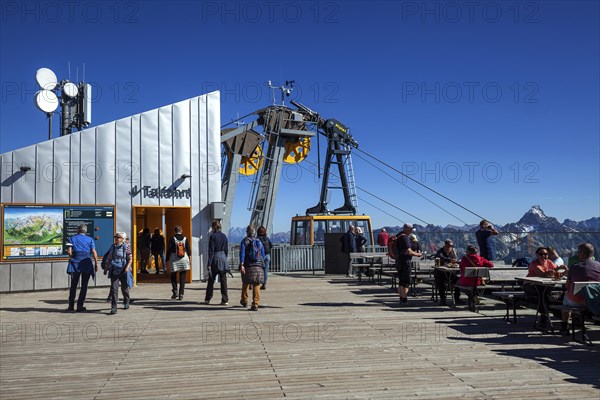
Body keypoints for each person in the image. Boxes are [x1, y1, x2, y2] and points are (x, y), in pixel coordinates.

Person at [559, 243, 600, 333]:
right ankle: (577, 320)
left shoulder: (575, 266)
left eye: (578, 252)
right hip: (595, 300)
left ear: (582, 254)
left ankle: (564, 326)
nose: (577, 254)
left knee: (566, 297)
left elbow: (567, 286)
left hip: (578, 301)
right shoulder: (598, 265)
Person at [524, 246, 564, 326]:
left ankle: (546, 315)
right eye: (541, 254)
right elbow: (542, 274)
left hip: (544, 285)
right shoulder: (534, 264)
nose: (543, 256)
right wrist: (555, 270)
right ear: (537, 255)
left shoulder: (549, 262)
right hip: (530, 286)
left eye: (545, 254)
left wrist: (563, 269)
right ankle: (548, 314)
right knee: (542, 294)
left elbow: (557, 271)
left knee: (544, 294)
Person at [66, 224, 99, 312]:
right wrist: (96, 263)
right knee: (84, 285)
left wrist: (73, 257)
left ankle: (71, 305)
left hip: (75, 262)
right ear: (85, 231)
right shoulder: (90, 239)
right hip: (87, 262)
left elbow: (69, 252)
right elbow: (93, 251)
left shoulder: (72, 238)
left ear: (78, 230)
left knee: (73, 285)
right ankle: (80, 305)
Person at [102, 232, 132, 315]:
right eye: (115, 237)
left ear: (122, 239)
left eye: (118, 237)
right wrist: (106, 268)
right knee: (114, 289)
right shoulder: (112, 247)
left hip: (123, 269)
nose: (116, 238)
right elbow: (109, 258)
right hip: (114, 269)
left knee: (124, 288)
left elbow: (130, 259)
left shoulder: (126, 247)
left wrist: (127, 268)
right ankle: (114, 307)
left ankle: (126, 301)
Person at [239, 225, 265, 311]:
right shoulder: (259, 241)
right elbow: (263, 254)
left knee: (245, 282)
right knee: (256, 284)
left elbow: (242, 253)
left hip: (248, 266)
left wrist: (242, 264)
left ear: (247, 232)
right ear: (254, 232)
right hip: (258, 266)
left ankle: (244, 300)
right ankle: (255, 303)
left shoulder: (244, 241)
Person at [395, 223, 422, 305]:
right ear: (407, 229)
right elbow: (409, 251)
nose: (411, 231)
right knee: (406, 282)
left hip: (398, 260)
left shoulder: (398, 235)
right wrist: (418, 254)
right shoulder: (405, 237)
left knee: (401, 281)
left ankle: (401, 299)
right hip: (405, 261)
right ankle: (404, 300)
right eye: (410, 229)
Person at [204, 220, 229, 305]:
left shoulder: (212, 236)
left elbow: (211, 251)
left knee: (211, 279)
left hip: (215, 258)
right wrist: (225, 257)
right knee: (223, 280)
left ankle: (208, 298)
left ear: (213, 227)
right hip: (223, 258)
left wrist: (209, 263)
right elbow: (226, 249)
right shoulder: (224, 236)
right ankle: (225, 299)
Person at [166, 225, 191, 300]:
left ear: (175, 231)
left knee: (173, 276)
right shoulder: (185, 239)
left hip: (174, 259)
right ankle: (181, 294)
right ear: (181, 230)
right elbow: (189, 250)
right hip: (184, 259)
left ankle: (175, 291)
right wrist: (189, 260)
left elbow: (169, 250)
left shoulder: (172, 239)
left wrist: (167, 259)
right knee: (182, 278)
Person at [434, 239, 460, 306]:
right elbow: (440, 258)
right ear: (445, 245)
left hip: (450, 272)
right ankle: (443, 299)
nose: (450, 247)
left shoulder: (453, 251)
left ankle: (457, 298)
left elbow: (456, 259)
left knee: (458, 280)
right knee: (441, 282)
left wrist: (455, 261)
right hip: (440, 272)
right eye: (448, 245)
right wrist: (450, 260)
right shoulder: (440, 252)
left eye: (451, 245)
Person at [257, 226, 273, 290]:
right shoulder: (267, 238)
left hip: (260, 257)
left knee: (257, 270)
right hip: (268, 256)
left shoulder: (257, 239)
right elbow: (271, 245)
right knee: (265, 271)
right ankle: (264, 284)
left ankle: (256, 283)